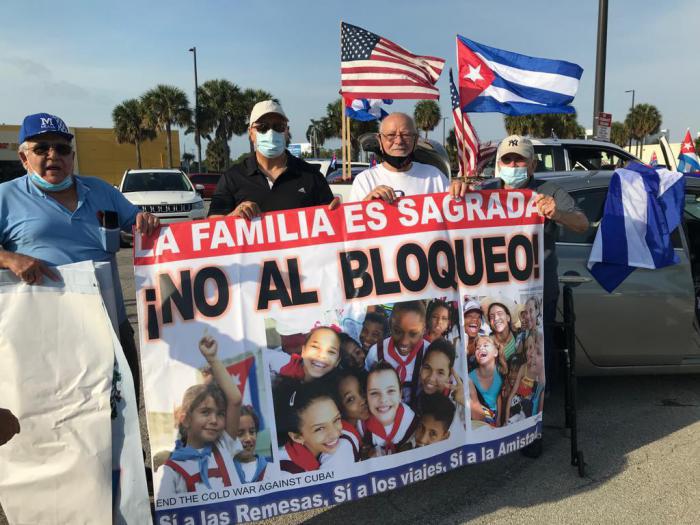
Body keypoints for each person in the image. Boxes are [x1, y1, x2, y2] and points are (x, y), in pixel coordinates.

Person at [0, 113, 159, 397]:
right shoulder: (6, 196)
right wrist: (10, 259)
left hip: (110, 324)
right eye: (41, 149)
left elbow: (140, 224)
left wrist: (146, 219)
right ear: (24, 159)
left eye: (61, 149)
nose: (53, 155)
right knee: (60, 411)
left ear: (71, 156)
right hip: (44, 330)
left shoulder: (100, 190)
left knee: (123, 407)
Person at [452, 135, 588, 454]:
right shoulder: (486, 193)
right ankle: (491, 422)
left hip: (535, 295)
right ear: (498, 164)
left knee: (534, 361)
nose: (513, 166)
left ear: (533, 164)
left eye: (520, 160)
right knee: (493, 359)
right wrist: (457, 189)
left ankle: (531, 428)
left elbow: (581, 223)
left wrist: (557, 213)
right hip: (494, 294)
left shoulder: (550, 192)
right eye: (507, 160)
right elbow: (450, 216)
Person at [208, 100, 338, 218]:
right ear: (251, 133)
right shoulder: (232, 178)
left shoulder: (311, 176)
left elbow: (330, 220)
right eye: (262, 127)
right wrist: (232, 217)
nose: (271, 133)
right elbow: (211, 227)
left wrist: (338, 213)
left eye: (278, 127)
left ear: (287, 132)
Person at [158, 336, 243, 496]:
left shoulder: (224, 445)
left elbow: (235, 400)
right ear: (186, 419)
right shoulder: (170, 470)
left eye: (220, 414)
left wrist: (212, 359)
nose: (214, 420)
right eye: (205, 412)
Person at [348, 113, 448, 203]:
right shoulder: (365, 180)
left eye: (406, 135)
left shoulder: (435, 177)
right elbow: (351, 221)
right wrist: (366, 204)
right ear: (380, 140)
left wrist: (460, 192)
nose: (399, 141)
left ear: (416, 139)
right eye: (391, 135)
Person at [274, 379, 357, 473]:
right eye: (320, 428)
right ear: (297, 437)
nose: (334, 433)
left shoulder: (344, 440)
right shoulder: (285, 468)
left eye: (336, 420)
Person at [364, 301, 430, 405]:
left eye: (413, 334)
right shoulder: (376, 352)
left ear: (424, 330)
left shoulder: (428, 352)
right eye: (398, 331)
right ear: (390, 324)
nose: (404, 341)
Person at [362, 361, 417, 456]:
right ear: (366, 397)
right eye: (374, 393)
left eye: (390, 391)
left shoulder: (411, 421)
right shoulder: (362, 425)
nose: (383, 400)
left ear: (400, 394)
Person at [267, 326, 341, 382]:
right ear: (303, 351)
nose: (321, 355)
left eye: (331, 351)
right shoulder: (283, 366)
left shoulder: (338, 391)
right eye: (315, 346)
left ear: (337, 361)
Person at [468, 335, 505, 428]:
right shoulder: (470, 377)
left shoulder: (500, 374)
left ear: (496, 352)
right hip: (478, 419)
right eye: (477, 347)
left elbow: (498, 396)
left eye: (485, 345)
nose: (481, 349)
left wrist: (499, 419)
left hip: (494, 416)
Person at [232, 405, 270, 484]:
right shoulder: (224, 475)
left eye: (252, 432)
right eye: (240, 433)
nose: (248, 438)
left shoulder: (270, 470)